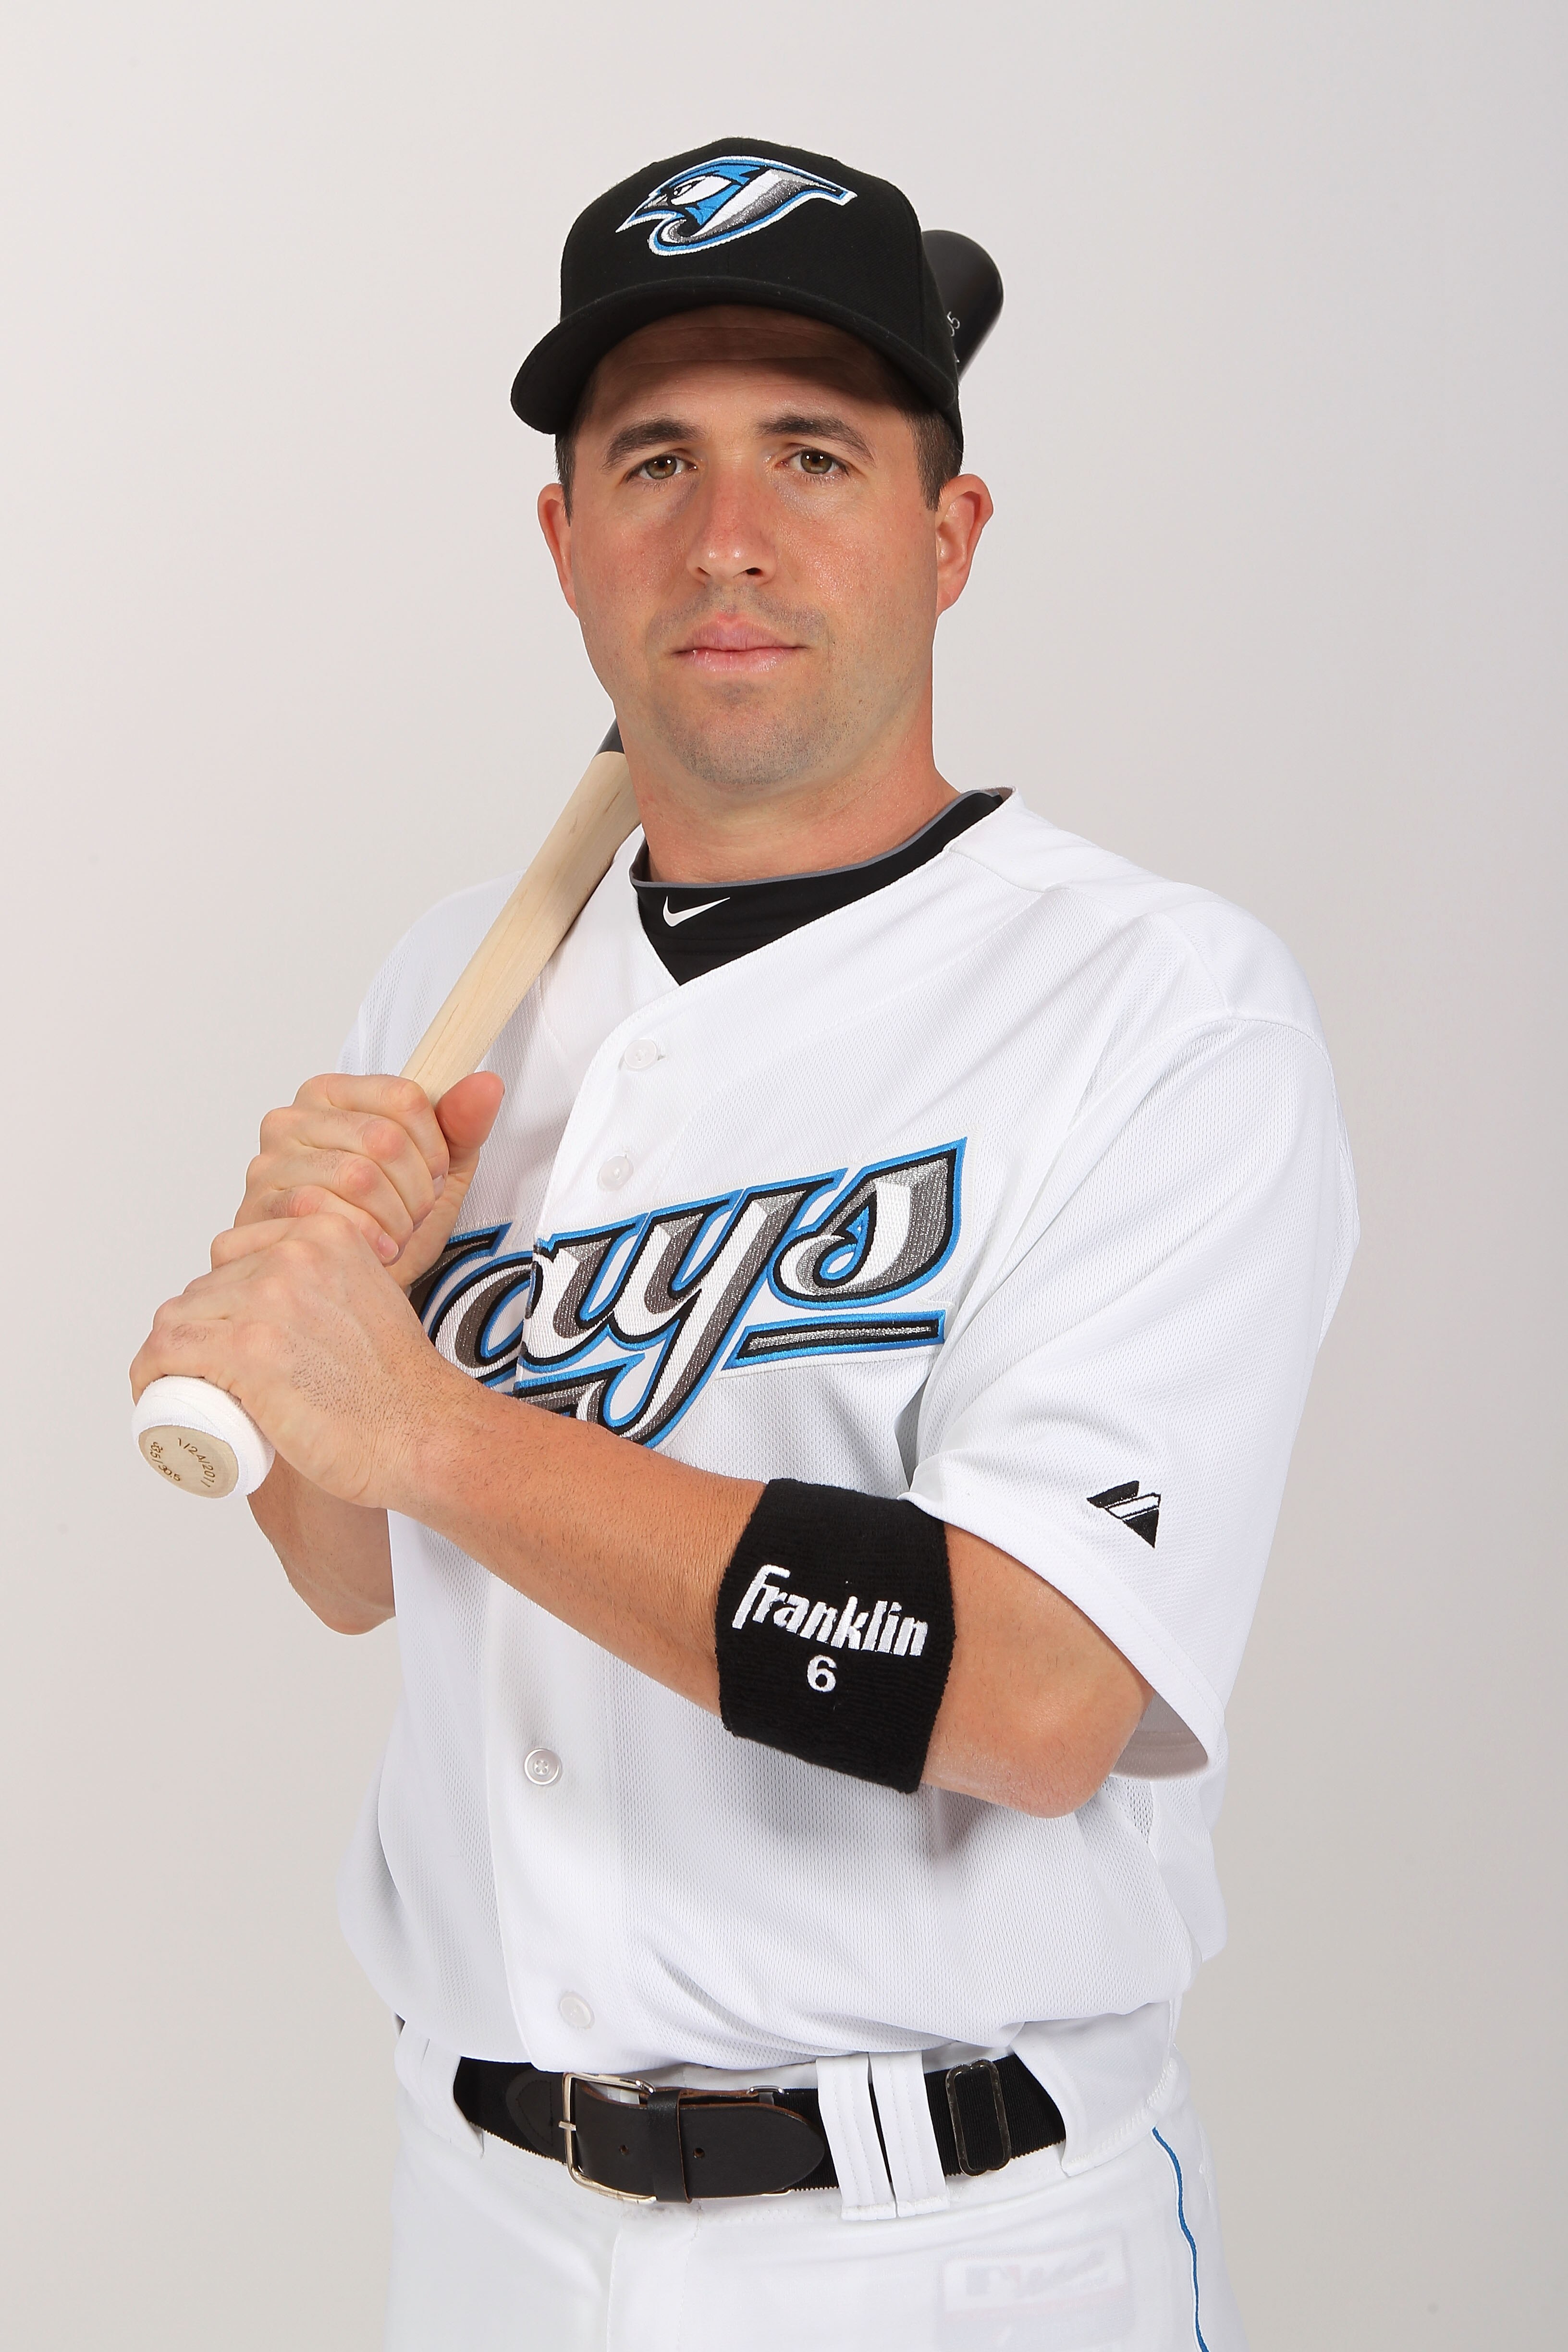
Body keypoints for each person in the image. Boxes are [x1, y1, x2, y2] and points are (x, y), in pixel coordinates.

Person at [132, 138, 1357, 2350]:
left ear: (950, 533)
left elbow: (1035, 1692)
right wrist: (316, 1311)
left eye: (814, 452)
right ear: (566, 541)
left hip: (944, 2243)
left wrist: (420, 1419)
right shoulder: (454, 995)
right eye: (655, 462)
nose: (728, 536)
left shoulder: (1156, 1007)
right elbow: (343, 1569)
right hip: (483, 2215)